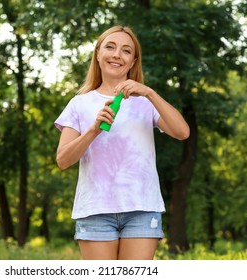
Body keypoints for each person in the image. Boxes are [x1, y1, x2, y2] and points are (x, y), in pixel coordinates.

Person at [54, 25, 190, 260]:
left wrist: (150, 93)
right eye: (110, 47)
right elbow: (63, 160)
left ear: (133, 61)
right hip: (95, 211)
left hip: (142, 208)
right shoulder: (78, 104)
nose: (117, 54)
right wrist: (93, 131)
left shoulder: (146, 101)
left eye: (126, 51)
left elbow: (182, 132)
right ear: (98, 54)